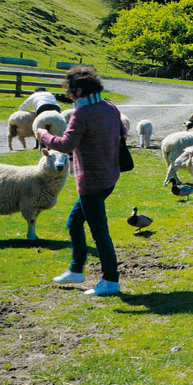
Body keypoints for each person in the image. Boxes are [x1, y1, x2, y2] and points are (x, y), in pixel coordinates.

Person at [37, 65, 126, 296]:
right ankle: (76, 269)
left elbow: (66, 145)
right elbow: (123, 131)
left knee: (99, 232)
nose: (67, 95)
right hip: (109, 177)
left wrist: (43, 135)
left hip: (91, 183)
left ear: (78, 90)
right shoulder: (109, 106)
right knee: (74, 222)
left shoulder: (82, 113)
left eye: (69, 90)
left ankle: (110, 280)